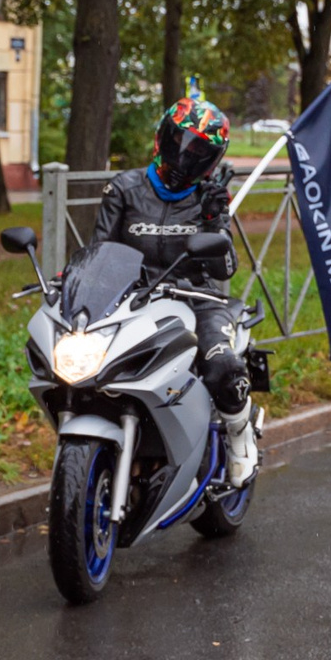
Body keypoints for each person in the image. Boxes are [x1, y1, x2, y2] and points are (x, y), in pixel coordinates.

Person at [92, 95, 260, 487]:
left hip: (197, 300)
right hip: (132, 301)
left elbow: (226, 268)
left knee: (222, 365)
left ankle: (239, 436)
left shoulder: (208, 198)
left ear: (212, 160)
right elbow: (98, 252)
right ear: (162, 137)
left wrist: (214, 220)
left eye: (198, 152)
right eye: (180, 141)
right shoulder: (123, 188)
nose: (185, 156)